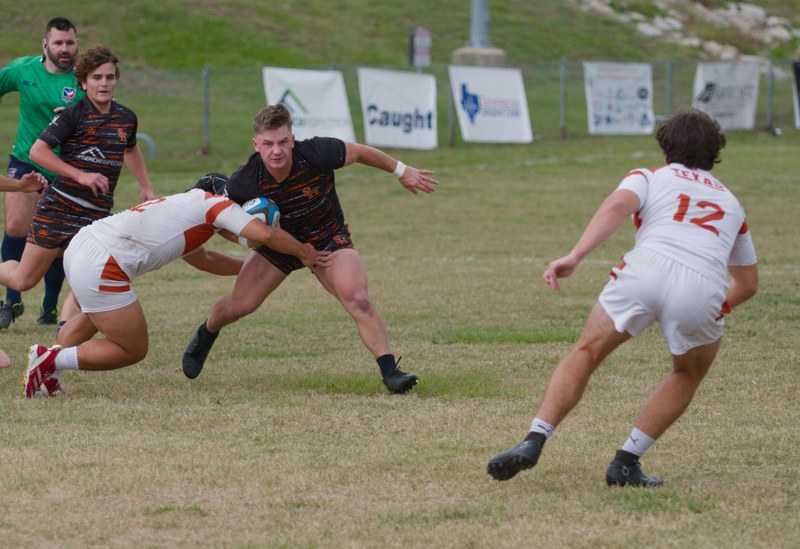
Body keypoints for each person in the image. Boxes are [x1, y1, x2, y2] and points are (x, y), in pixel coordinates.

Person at [487, 109, 759, 486]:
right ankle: (626, 461)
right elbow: (747, 284)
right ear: (714, 155)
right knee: (688, 372)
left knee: (586, 352)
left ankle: (535, 438)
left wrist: (575, 255)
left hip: (645, 269)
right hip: (703, 284)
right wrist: (713, 306)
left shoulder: (648, 176)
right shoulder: (732, 204)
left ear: (665, 149)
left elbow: (617, 206)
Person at [181, 103, 439, 394]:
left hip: (327, 238)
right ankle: (207, 332)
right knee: (241, 305)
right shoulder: (244, 182)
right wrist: (250, 239)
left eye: (282, 142)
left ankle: (391, 373)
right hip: (277, 245)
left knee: (357, 298)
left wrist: (401, 170)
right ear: (256, 144)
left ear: (292, 139)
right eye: (267, 144)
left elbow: (360, 152)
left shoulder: (318, 152)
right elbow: (219, 224)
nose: (276, 151)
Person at [22, 183, 332, 397]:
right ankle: (50, 361)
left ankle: (47, 375)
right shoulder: (214, 204)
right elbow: (263, 232)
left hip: (84, 244)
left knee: (95, 316)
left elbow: (205, 259)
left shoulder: (185, 210)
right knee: (132, 349)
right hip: (104, 262)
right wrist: (303, 252)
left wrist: (250, 270)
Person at [0, 44, 155, 332]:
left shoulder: (126, 118)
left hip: (95, 216)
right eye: (97, 78)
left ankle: (64, 332)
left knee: (90, 276)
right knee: (23, 280)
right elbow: (38, 151)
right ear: (83, 83)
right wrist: (80, 175)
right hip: (59, 209)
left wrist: (145, 186)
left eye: (109, 77)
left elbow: (130, 149)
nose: (104, 83)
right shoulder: (72, 115)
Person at [0, 16, 84, 329]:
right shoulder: (22, 70)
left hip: (66, 166)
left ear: (77, 45)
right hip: (26, 160)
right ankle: (11, 302)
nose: (65, 48)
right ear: (45, 44)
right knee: (15, 225)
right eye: (59, 42)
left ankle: (49, 308)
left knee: (60, 240)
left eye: (70, 43)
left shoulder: (84, 77)